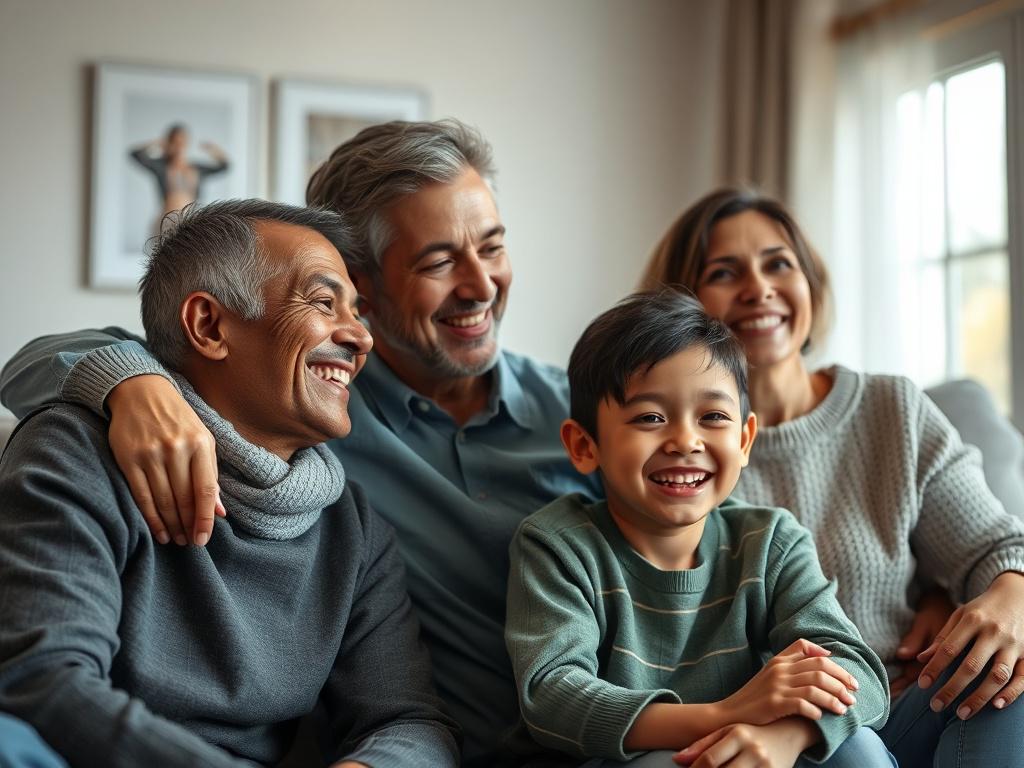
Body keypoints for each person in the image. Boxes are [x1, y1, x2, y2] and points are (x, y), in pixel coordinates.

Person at [0, 119, 599, 766]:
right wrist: (129, 382)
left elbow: (407, 718)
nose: (481, 284)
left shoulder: (587, 417)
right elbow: (43, 679)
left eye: (492, 247)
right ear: (367, 289)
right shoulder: (306, 406)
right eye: (437, 261)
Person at [0, 200, 459, 767]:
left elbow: (408, 721)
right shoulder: (78, 450)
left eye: (357, 311)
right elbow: (43, 680)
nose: (360, 338)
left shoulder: (353, 526)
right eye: (323, 303)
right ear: (209, 326)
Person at [637, 186, 1024, 766]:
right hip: (779, 742)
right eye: (725, 272)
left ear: (810, 284)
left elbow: (997, 548)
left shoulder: (890, 409)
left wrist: (1005, 596)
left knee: (1011, 678)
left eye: (778, 264)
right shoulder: (676, 455)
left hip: (908, 710)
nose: (759, 288)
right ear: (683, 307)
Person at [504, 291, 892, 768]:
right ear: (585, 445)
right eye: (650, 417)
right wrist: (723, 715)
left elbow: (861, 676)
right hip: (640, 759)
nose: (686, 440)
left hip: (758, 753)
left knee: (857, 749)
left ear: (745, 439)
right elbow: (553, 696)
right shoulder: (559, 545)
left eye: (713, 417)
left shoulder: (770, 541)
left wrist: (786, 737)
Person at [130, 124, 229, 223]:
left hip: (191, 222)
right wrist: (157, 143)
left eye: (182, 142)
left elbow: (224, 166)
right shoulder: (161, 166)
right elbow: (135, 154)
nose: (179, 146)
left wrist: (213, 149)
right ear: (169, 143)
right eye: (175, 142)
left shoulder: (197, 169)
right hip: (166, 221)